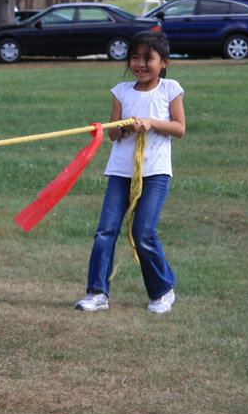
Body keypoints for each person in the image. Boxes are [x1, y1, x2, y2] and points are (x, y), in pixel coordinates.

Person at [74, 31, 185, 314]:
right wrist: (124, 127)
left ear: (164, 63)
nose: (140, 64)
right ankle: (97, 292)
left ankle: (162, 290)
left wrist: (151, 122)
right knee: (105, 231)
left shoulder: (170, 89)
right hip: (121, 172)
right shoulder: (121, 91)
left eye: (148, 58)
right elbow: (113, 134)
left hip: (156, 172)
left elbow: (179, 128)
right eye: (134, 57)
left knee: (143, 231)